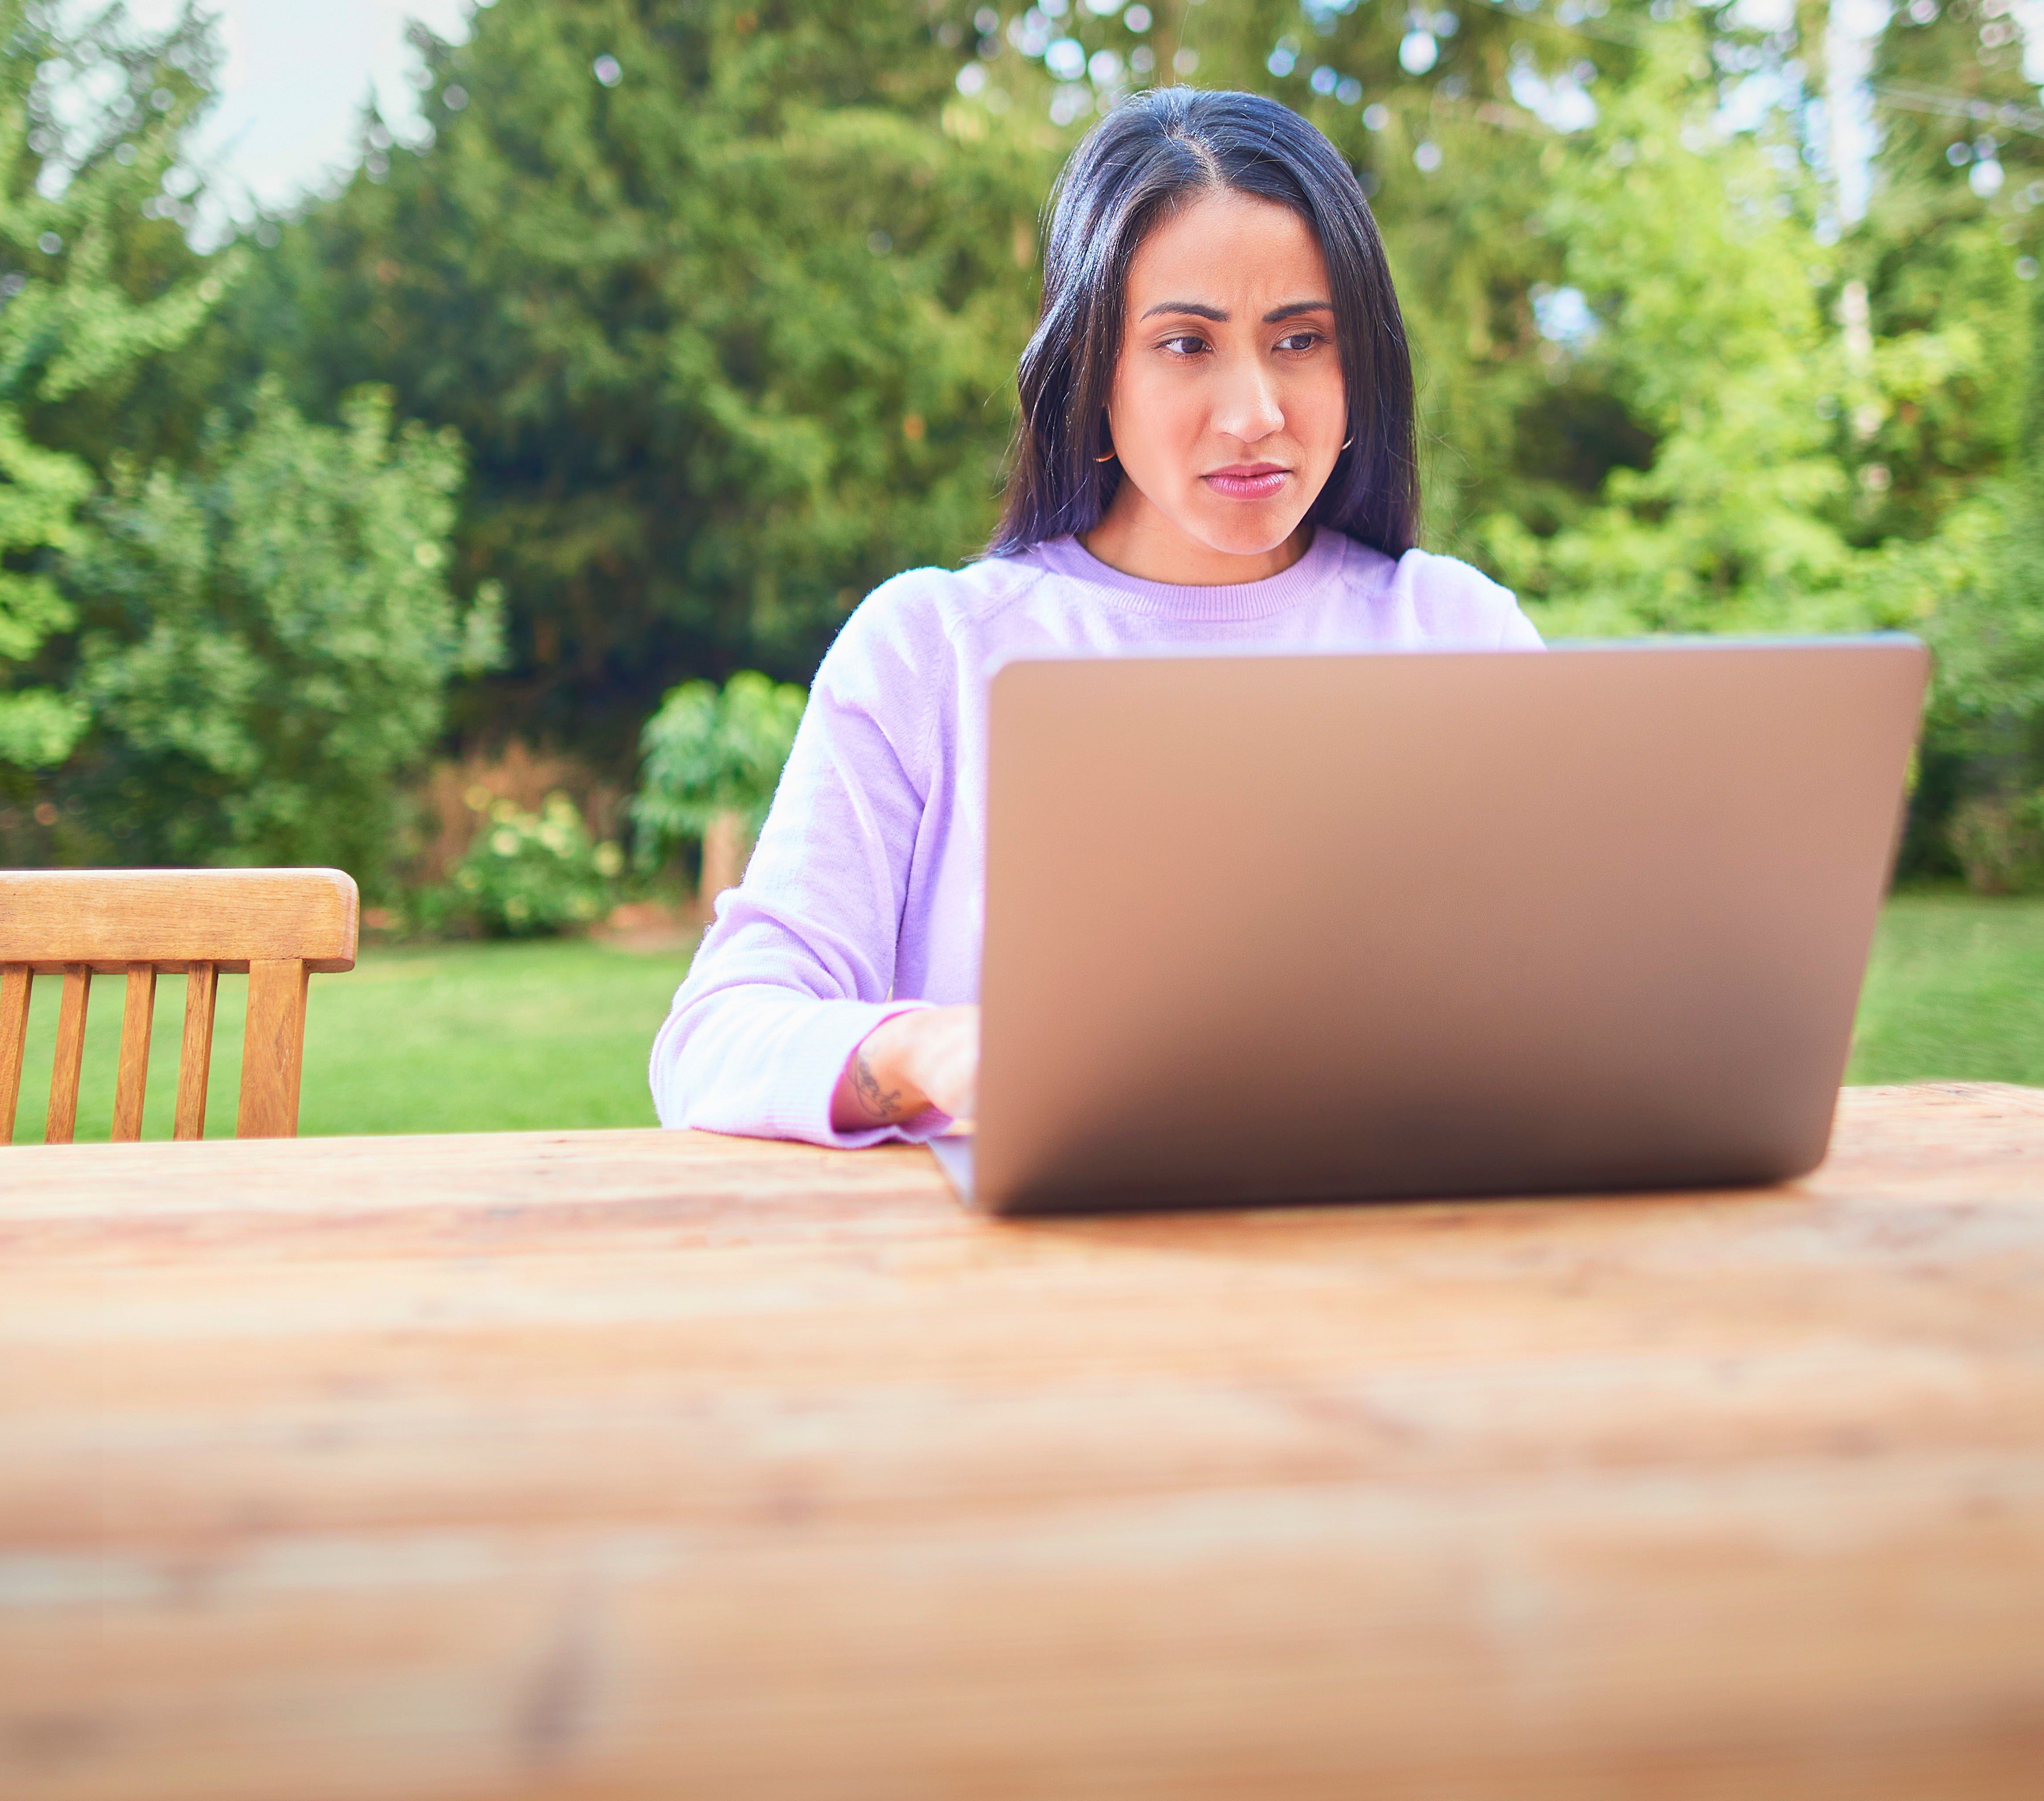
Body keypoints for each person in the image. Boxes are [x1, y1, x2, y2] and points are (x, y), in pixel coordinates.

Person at [647, 87, 1542, 1147]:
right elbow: (716, 1038)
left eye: (1300, 340)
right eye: (1184, 344)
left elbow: (1590, 986)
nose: (1254, 411)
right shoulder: (932, 649)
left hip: (1390, 1261)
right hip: (1032, 1290)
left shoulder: (1454, 630)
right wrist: (928, 1050)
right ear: (1091, 372)